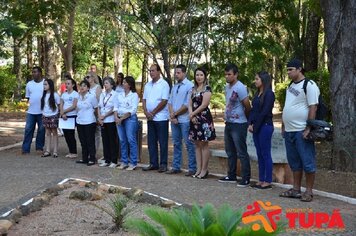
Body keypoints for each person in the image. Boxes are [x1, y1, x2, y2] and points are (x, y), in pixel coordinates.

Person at [280, 59, 319, 202]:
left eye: (291, 69)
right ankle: (296, 189)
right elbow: (288, 105)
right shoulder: (290, 85)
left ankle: (309, 191)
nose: (288, 72)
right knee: (294, 162)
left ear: (299, 69)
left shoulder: (309, 85)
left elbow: (313, 107)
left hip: (301, 130)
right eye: (287, 70)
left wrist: (309, 127)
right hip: (289, 130)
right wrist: (284, 124)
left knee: (307, 161)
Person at [219, 63, 251, 187]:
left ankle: (246, 178)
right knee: (230, 151)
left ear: (236, 74)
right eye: (225, 74)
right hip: (229, 123)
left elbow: (247, 106)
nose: (227, 77)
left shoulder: (240, 87)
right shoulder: (227, 87)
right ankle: (231, 175)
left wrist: (247, 121)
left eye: (229, 74)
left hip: (239, 124)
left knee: (241, 152)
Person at [166, 64, 196, 176]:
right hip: (174, 120)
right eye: (175, 73)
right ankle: (176, 166)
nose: (176, 75)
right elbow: (170, 102)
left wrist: (175, 114)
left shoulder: (190, 86)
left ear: (184, 73)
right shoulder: (175, 86)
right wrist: (172, 115)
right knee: (176, 143)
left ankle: (192, 168)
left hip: (184, 120)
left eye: (178, 73)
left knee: (189, 144)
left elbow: (186, 104)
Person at [248, 71, 275, 189]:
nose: (255, 81)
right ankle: (261, 179)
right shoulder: (257, 94)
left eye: (257, 79)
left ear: (263, 80)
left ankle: (268, 180)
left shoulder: (269, 94)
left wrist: (256, 126)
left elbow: (264, 112)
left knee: (265, 153)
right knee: (259, 153)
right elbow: (254, 110)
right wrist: (250, 123)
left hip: (265, 126)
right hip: (256, 127)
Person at [142, 64, 170, 172]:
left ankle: (163, 164)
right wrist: (145, 111)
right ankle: (153, 163)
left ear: (159, 71)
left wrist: (153, 112)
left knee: (162, 142)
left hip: (161, 118)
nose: (151, 73)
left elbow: (164, 101)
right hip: (150, 118)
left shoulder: (164, 84)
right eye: (150, 71)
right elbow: (144, 99)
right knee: (151, 142)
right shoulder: (147, 85)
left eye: (153, 71)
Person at [188, 67, 216, 179]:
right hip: (193, 119)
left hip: (204, 119)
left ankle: (204, 170)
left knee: (204, 144)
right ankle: (198, 169)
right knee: (197, 145)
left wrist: (193, 114)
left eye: (201, 75)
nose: (198, 77)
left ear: (205, 77)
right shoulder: (192, 89)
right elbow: (189, 103)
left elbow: (204, 105)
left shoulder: (207, 89)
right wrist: (191, 115)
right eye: (197, 75)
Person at [114, 76, 140, 170]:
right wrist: (116, 117)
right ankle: (124, 161)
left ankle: (133, 162)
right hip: (119, 118)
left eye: (125, 82)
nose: (123, 84)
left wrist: (122, 118)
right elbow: (116, 106)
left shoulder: (134, 95)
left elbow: (133, 110)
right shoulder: (119, 94)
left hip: (129, 119)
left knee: (131, 139)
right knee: (122, 140)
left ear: (129, 84)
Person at [22, 66, 45, 154]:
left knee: (41, 130)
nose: (34, 74)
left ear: (40, 73)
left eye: (35, 72)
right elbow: (28, 97)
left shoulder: (44, 83)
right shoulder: (29, 84)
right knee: (28, 129)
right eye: (33, 72)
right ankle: (25, 149)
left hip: (42, 112)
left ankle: (39, 147)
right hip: (31, 112)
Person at [97, 77, 119, 168]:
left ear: (111, 85)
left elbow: (114, 108)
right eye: (104, 83)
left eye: (106, 83)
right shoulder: (102, 94)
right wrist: (99, 117)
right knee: (105, 140)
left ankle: (114, 160)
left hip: (110, 120)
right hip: (103, 121)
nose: (105, 85)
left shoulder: (115, 94)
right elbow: (99, 106)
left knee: (112, 140)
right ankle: (107, 159)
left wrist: (104, 115)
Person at [75, 80, 98, 166]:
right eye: (81, 86)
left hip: (89, 121)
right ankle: (84, 158)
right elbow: (77, 108)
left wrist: (97, 118)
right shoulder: (78, 97)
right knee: (82, 141)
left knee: (90, 141)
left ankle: (92, 158)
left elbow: (96, 108)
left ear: (88, 88)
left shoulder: (91, 97)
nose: (82, 87)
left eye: (84, 86)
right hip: (80, 121)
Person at [60, 75, 79, 159]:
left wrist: (64, 111)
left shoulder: (75, 94)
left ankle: (74, 152)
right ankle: (70, 151)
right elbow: (61, 104)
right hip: (64, 116)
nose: (67, 85)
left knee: (71, 134)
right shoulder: (64, 94)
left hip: (72, 116)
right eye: (66, 84)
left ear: (73, 85)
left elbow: (74, 106)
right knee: (66, 134)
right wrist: (62, 113)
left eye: (68, 83)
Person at [40, 79, 61, 158]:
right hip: (45, 115)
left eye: (46, 84)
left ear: (50, 85)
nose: (44, 86)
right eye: (44, 84)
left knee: (54, 133)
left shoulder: (55, 95)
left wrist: (59, 115)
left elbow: (59, 105)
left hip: (53, 115)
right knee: (47, 133)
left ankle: (55, 151)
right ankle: (47, 150)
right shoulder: (44, 95)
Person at [86, 72, 103, 161]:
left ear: (93, 78)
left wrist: (98, 115)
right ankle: (89, 151)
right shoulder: (86, 88)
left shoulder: (97, 87)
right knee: (89, 134)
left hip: (95, 112)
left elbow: (98, 101)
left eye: (88, 77)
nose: (86, 78)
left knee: (96, 133)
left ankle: (94, 152)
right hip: (87, 114)